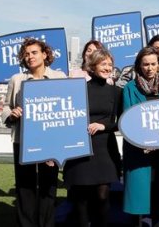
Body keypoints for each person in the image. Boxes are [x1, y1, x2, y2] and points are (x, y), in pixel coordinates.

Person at [2, 38, 67, 227]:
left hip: (51, 141)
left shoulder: (59, 77)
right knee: (25, 186)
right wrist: (12, 114)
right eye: (27, 54)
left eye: (34, 52)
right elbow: (6, 106)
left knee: (49, 187)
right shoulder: (17, 79)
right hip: (23, 140)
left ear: (45, 54)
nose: (30, 57)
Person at [63, 49, 122, 227]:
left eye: (110, 64)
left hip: (105, 149)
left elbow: (122, 122)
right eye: (103, 64)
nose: (107, 68)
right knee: (81, 198)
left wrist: (104, 126)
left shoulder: (116, 92)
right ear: (93, 66)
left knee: (103, 196)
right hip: (81, 148)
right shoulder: (78, 89)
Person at [121, 46, 159, 226]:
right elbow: (128, 119)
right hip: (138, 151)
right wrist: (143, 142)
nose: (149, 68)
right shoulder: (130, 88)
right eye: (145, 64)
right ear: (139, 65)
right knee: (138, 194)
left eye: (153, 64)